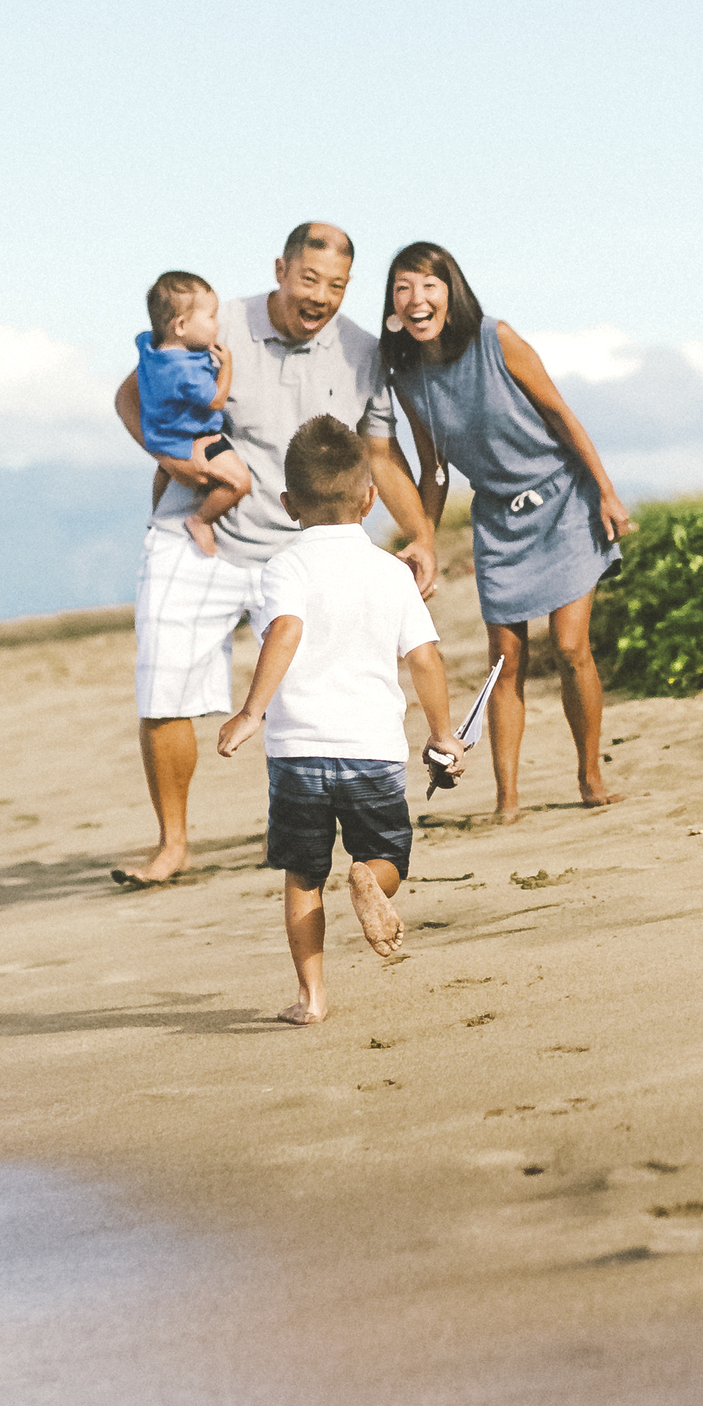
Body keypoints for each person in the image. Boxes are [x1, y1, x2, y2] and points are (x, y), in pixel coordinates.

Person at [109, 221, 454, 887]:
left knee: (338, 694)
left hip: (302, 549)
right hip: (199, 535)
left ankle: (338, 825)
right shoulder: (217, 321)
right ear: (281, 269)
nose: (321, 296)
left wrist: (423, 535)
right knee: (163, 688)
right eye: (309, 279)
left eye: (337, 285)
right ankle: (173, 844)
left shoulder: (360, 351)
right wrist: (170, 461)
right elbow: (132, 395)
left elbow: (377, 456)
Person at [376, 237, 631, 824]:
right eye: (402, 288)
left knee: (570, 648)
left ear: (451, 291)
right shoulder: (407, 377)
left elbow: (562, 415)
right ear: (393, 306)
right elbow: (433, 468)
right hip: (498, 519)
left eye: (428, 285)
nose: (416, 299)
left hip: (563, 498)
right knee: (505, 661)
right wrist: (426, 537)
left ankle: (590, 778)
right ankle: (507, 800)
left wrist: (608, 494)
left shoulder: (498, 338)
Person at [216, 415, 439, 1025]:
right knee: (387, 853)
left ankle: (312, 998)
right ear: (370, 499)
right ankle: (370, 879)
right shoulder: (392, 573)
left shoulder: (285, 568)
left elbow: (286, 629)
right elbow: (424, 659)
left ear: (288, 504)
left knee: (303, 873)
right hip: (373, 749)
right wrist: (443, 734)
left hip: (298, 754)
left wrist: (250, 712)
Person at [133, 272, 252, 556]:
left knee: (163, 471)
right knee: (239, 483)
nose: (217, 324)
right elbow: (216, 400)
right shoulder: (186, 373)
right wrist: (227, 365)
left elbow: (144, 337)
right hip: (196, 439)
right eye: (211, 317)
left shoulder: (148, 346)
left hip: (159, 437)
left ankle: (156, 516)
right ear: (182, 325)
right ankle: (200, 520)